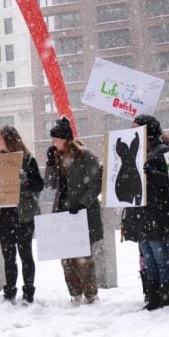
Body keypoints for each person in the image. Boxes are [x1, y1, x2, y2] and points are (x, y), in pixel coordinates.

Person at [44, 115, 103, 304]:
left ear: (65, 139)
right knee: (66, 258)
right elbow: (50, 184)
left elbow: (96, 183)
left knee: (83, 258)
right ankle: (75, 293)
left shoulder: (85, 155)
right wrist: (50, 165)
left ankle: (90, 294)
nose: (53, 142)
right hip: (63, 213)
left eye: (56, 139)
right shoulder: (57, 157)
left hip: (81, 213)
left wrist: (83, 203)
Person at [121, 114, 169, 310]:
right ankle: (153, 297)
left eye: (137, 127)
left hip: (157, 213)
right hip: (140, 214)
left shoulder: (162, 151)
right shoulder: (138, 151)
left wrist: (153, 176)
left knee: (160, 258)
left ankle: (166, 298)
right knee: (148, 260)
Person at [0, 125, 44, 304]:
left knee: (25, 253)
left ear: (8, 138)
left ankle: (28, 290)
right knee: (8, 256)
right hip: (5, 214)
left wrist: (26, 181)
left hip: (23, 215)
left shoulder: (27, 160)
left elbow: (39, 185)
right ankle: (10, 289)